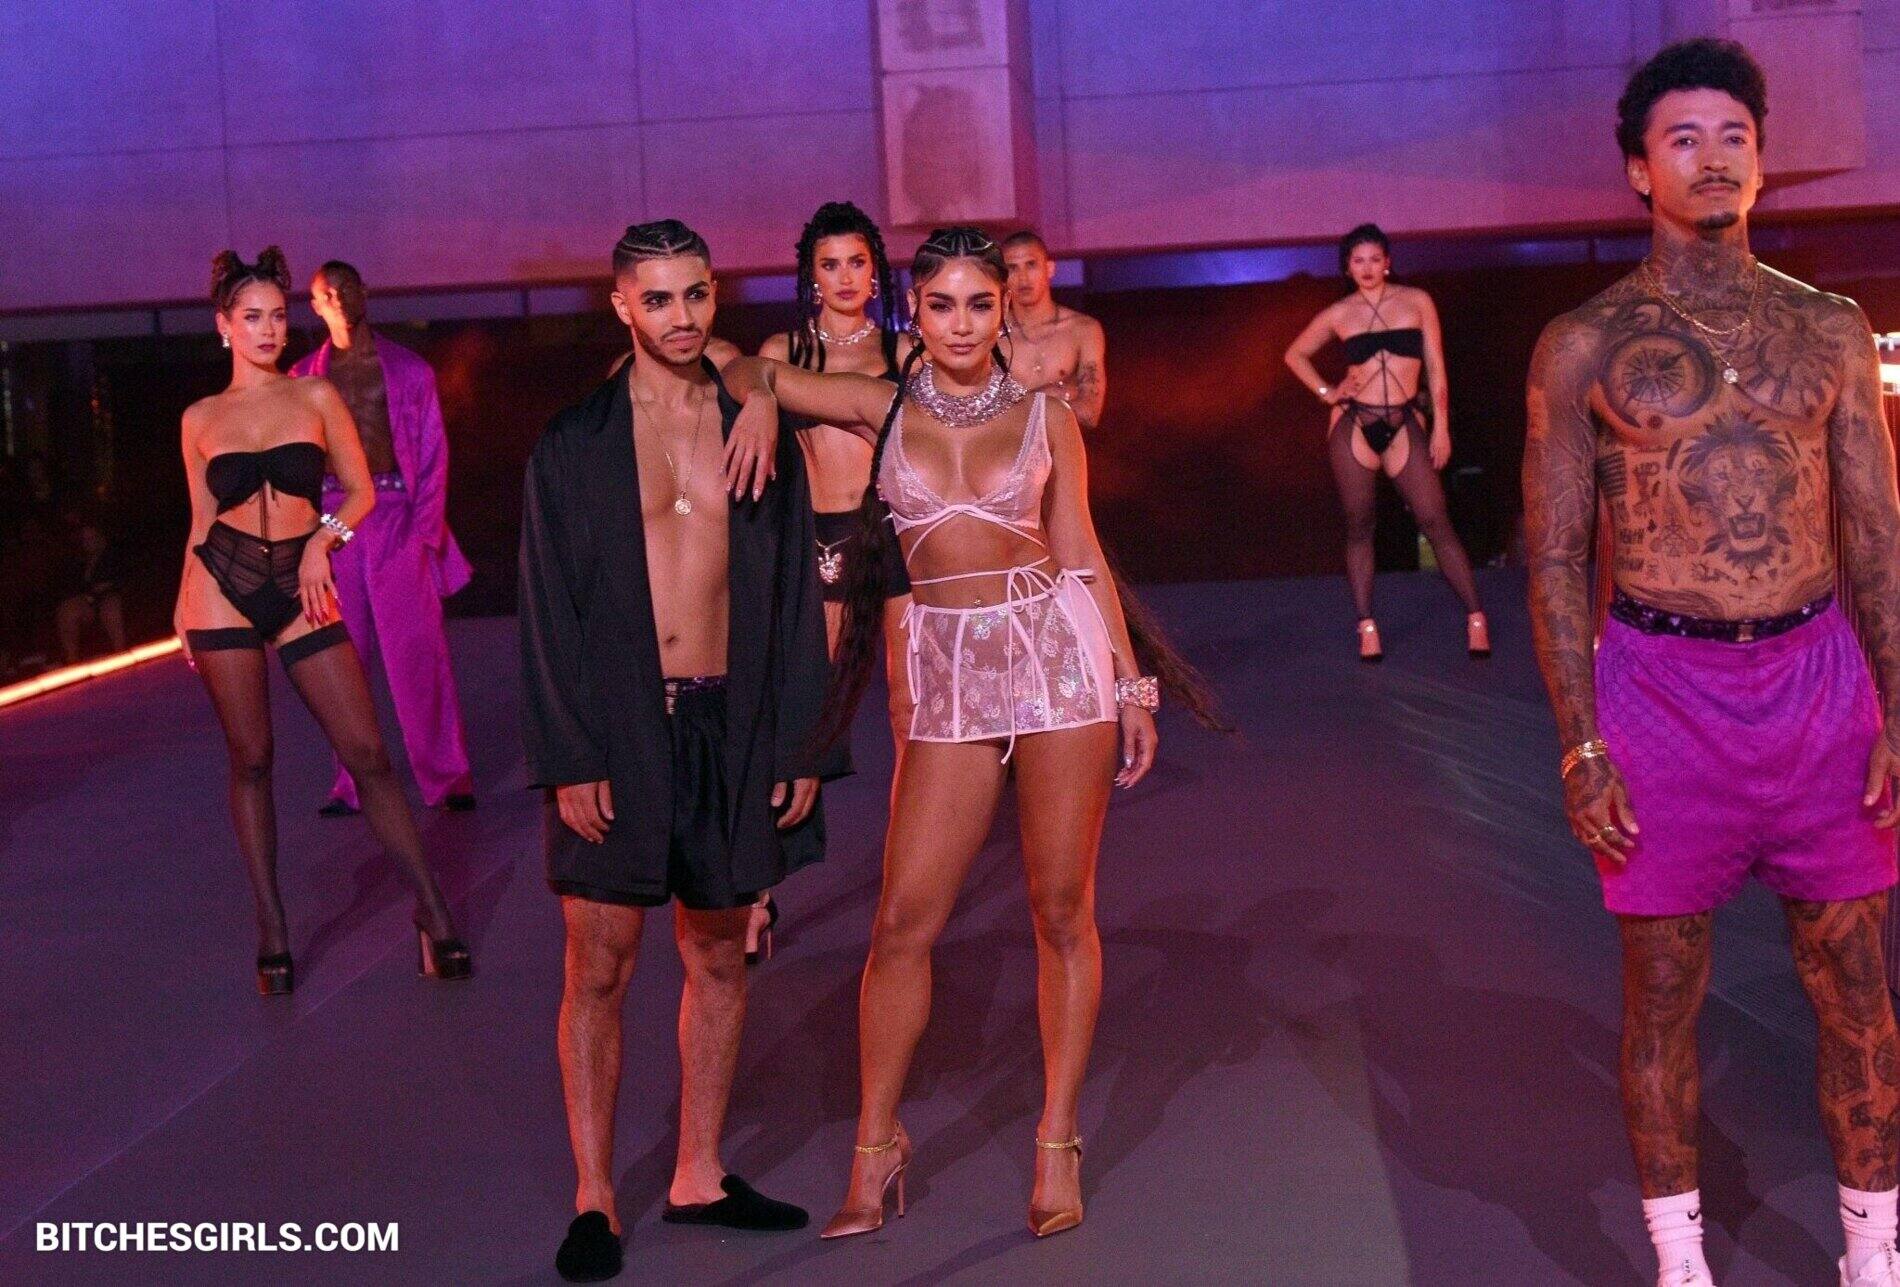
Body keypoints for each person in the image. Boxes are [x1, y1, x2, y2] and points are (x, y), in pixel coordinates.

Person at [722, 225, 1222, 1241]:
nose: (960, 324)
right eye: (941, 304)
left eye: (979, 304)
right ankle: (876, 1145)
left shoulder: (1046, 416)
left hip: (1058, 662)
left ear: (1005, 311)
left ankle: (1056, 1138)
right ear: (914, 310)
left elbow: (1081, 553)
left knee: (1059, 910)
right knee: (902, 922)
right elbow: (739, 368)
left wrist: (1131, 685)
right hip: (949, 674)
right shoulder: (880, 404)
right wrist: (764, 397)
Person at [1523, 39, 1900, 1287]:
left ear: (1762, 157)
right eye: (1682, 139)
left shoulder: (1829, 328)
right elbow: (1556, 553)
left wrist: (1896, 707)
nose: (1713, 158)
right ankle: (1680, 1264)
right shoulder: (1583, 344)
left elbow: (1876, 535)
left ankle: (1873, 1256)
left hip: (1818, 682)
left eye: (1733, 135)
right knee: (1662, 994)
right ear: (1639, 170)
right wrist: (1579, 741)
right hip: (1659, 690)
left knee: (1856, 986)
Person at [518, 219, 837, 1283]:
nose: (681, 316)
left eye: (695, 294)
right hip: (617, 729)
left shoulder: (754, 426)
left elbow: (792, 594)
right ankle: (595, 1195)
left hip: (729, 725)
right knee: (598, 965)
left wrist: (799, 737)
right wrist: (570, 756)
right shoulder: (574, 443)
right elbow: (546, 608)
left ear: (714, 292)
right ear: (621, 305)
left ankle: (699, 1172)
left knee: (717, 952)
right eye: (656, 299)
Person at [175, 248, 468, 996]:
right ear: (224, 326)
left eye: (278, 316)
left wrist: (320, 543)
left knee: (367, 752)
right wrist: (183, 602)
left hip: (303, 580)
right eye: (253, 317)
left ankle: (432, 909)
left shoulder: (315, 394)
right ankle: (272, 925)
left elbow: (362, 493)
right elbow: (201, 519)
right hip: (219, 587)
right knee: (252, 758)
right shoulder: (200, 418)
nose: (269, 329)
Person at [751, 200, 918, 964]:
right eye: (831, 264)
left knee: (910, 713)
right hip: (822, 539)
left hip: (898, 539)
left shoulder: (906, 350)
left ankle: (906, 880)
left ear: (876, 271)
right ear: (810, 274)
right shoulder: (783, 352)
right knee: (803, 717)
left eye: (858, 262)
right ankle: (756, 889)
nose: (846, 277)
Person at [293, 261, 477, 815]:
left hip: (395, 511)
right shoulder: (302, 378)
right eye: (327, 294)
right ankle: (350, 783)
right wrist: (305, 539)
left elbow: (433, 455)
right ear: (315, 306)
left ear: (365, 292)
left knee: (418, 652)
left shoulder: (409, 370)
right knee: (340, 657)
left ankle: (447, 776)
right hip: (333, 519)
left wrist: (425, 534)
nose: (339, 298)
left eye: (346, 288)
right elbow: (295, 464)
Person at [1284, 224, 1490, 661]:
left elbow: (1436, 366)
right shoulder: (1340, 312)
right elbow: (1294, 354)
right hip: (1354, 421)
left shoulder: (1416, 301)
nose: (1367, 268)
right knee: (1360, 524)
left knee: (1434, 519)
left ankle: (1476, 616)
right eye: (1358, 261)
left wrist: (1441, 427)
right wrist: (1327, 392)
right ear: (1347, 267)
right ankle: (1366, 625)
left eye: (1375, 259)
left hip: (1403, 418)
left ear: (1388, 262)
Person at [1000, 230, 1107, 430]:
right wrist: (1057, 395)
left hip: (1063, 447)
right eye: (1012, 268)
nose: (1023, 278)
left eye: (1031, 265)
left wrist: (1019, 405)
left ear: (1049, 269)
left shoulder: (1082, 330)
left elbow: (1090, 413)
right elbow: (978, 415)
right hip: (1008, 448)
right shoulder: (991, 334)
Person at [54, 517, 128, 663]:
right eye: (85, 540)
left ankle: (121, 655)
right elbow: (74, 587)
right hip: (88, 601)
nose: (89, 542)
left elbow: (119, 579)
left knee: (111, 607)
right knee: (67, 610)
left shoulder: (113, 555)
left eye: (92, 538)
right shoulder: (79, 562)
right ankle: (72, 661)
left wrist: (103, 588)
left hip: (111, 597)